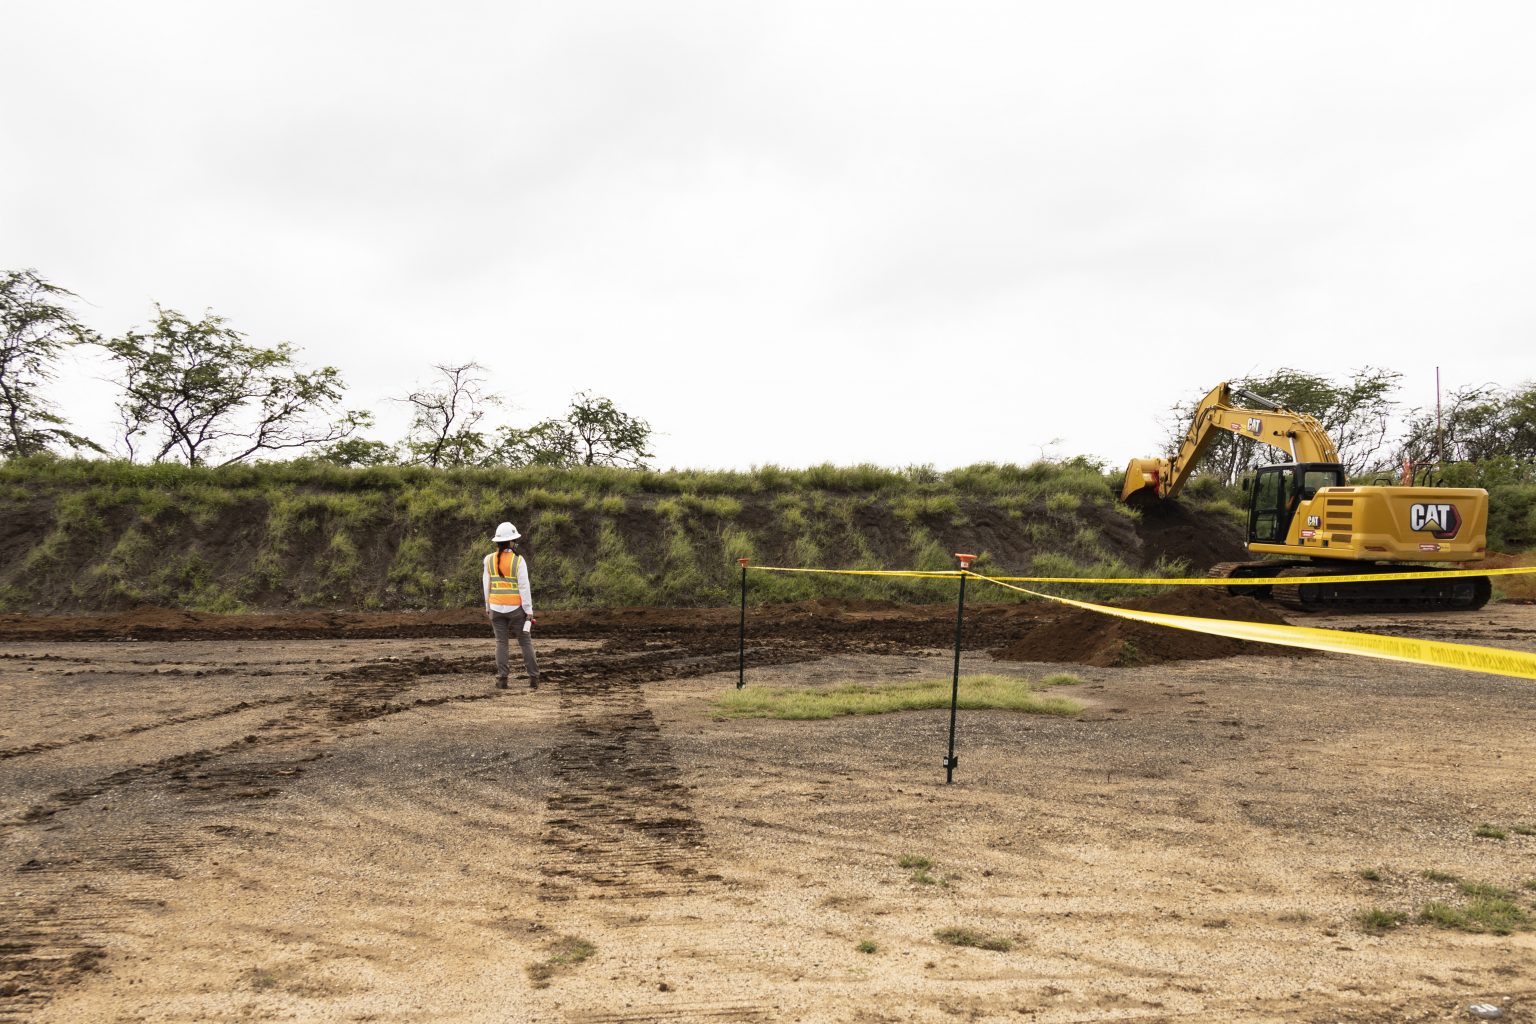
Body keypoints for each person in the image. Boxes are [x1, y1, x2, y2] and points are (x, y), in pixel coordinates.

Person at [483, 521, 539, 690]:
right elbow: (524, 587)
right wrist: (529, 611)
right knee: (525, 642)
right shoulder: (518, 561)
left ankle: (502, 679)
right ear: (511, 542)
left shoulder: (488, 560)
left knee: (501, 643)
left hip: (495, 608)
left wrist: (487, 605)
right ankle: (534, 678)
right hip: (516, 610)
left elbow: (487, 584)